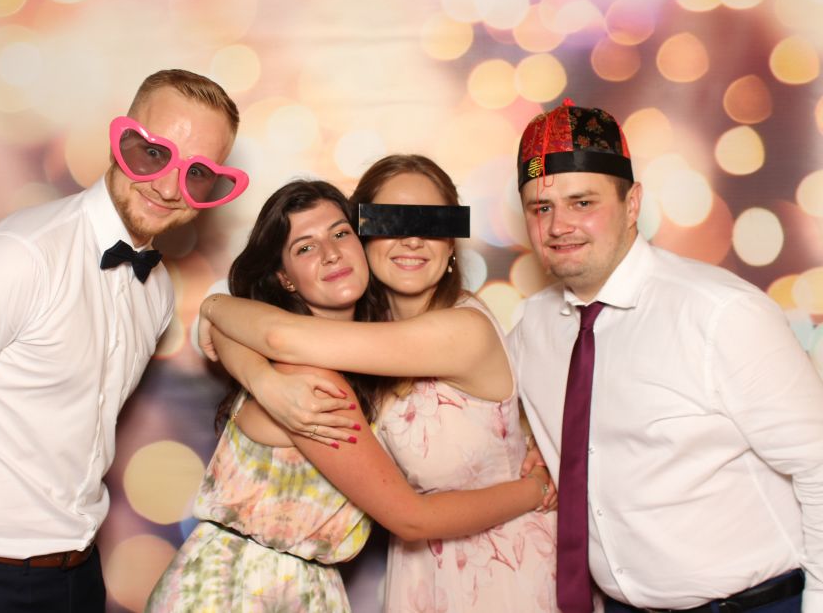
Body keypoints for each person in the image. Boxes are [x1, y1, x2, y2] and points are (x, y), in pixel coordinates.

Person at [0, 69, 250, 612]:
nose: (166, 187)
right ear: (119, 140)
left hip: (77, 577)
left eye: (197, 173)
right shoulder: (17, 256)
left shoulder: (156, 290)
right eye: (154, 154)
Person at [147, 178, 553, 612]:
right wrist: (538, 488)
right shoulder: (307, 378)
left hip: (302, 587)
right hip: (239, 592)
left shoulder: (371, 355)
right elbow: (410, 517)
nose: (330, 253)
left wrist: (220, 317)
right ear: (284, 278)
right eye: (305, 247)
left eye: (340, 233)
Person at [507, 99, 823, 613]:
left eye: (582, 202)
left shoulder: (721, 314)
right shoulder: (531, 328)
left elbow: (817, 462)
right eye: (541, 208)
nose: (559, 225)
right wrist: (533, 442)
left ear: (632, 204)